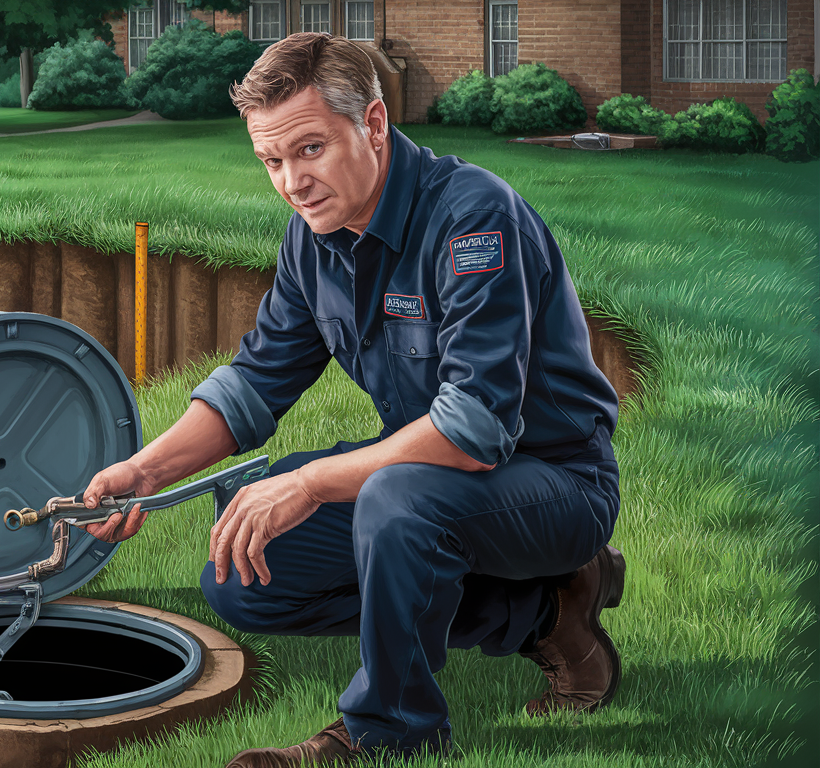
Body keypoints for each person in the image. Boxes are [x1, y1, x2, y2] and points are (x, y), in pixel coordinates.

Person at [80, 32, 625, 767]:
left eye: (308, 150)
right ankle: (545, 614)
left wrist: (308, 482)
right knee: (241, 569)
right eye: (271, 161)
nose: (290, 182)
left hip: (555, 483)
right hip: (431, 482)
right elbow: (254, 382)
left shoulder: (472, 218)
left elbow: (473, 428)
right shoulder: (315, 237)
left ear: (371, 124)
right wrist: (143, 473)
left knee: (394, 500)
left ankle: (386, 736)